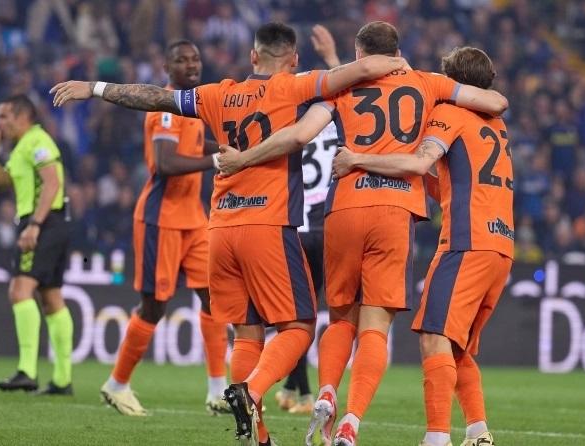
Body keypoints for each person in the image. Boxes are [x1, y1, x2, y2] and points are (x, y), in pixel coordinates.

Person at [51, 22, 407, 446]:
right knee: (300, 327)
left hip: (220, 227)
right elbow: (363, 70)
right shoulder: (297, 86)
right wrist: (400, 64)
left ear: (253, 56)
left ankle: (257, 436)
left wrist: (93, 88)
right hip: (267, 224)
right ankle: (251, 390)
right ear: (294, 60)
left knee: (247, 333)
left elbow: (154, 96)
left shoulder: (218, 94)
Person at [216, 23, 507, 446]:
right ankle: (351, 421)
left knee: (340, 318)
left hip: (344, 208)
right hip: (395, 209)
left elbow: (299, 135)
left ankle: (326, 391)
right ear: (397, 52)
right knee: (375, 326)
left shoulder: (342, 87)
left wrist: (243, 159)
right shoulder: (427, 83)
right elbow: (496, 101)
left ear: (358, 56)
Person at [332, 46, 514, 446]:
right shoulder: (496, 124)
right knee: (456, 346)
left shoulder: (451, 113)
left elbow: (418, 163)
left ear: (455, 83)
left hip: (466, 243)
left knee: (433, 336)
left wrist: (358, 159)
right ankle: (478, 432)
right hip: (501, 246)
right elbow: (446, 183)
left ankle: (436, 438)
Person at [98, 40, 231, 417]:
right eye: (181, 60)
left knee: (214, 299)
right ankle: (117, 385)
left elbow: (194, 144)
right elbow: (165, 163)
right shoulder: (164, 111)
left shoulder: (191, 107)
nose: (191, 65)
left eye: (195, 58)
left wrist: (222, 145)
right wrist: (217, 160)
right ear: (167, 69)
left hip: (194, 218)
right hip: (161, 218)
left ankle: (217, 391)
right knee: (154, 307)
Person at [0, 94, 74, 396]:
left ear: (23, 117)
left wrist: (34, 225)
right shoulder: (22, 146)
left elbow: (52, 183)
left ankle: (27, 371)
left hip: (43, 221)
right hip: (52, 221)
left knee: (19, 290)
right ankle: (62, 380)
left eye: (4, 116)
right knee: (51, 298)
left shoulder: (37, 141)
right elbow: (2, 184)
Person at [274, 24, 341, 416]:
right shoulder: (336, 115)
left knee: (299, 313)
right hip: (329, 225)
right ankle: (296, 389)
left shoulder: (291, 122)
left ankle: (298, 391)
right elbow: (351, 88)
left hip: (297, 225)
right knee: (322, 312)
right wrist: (332, 58)